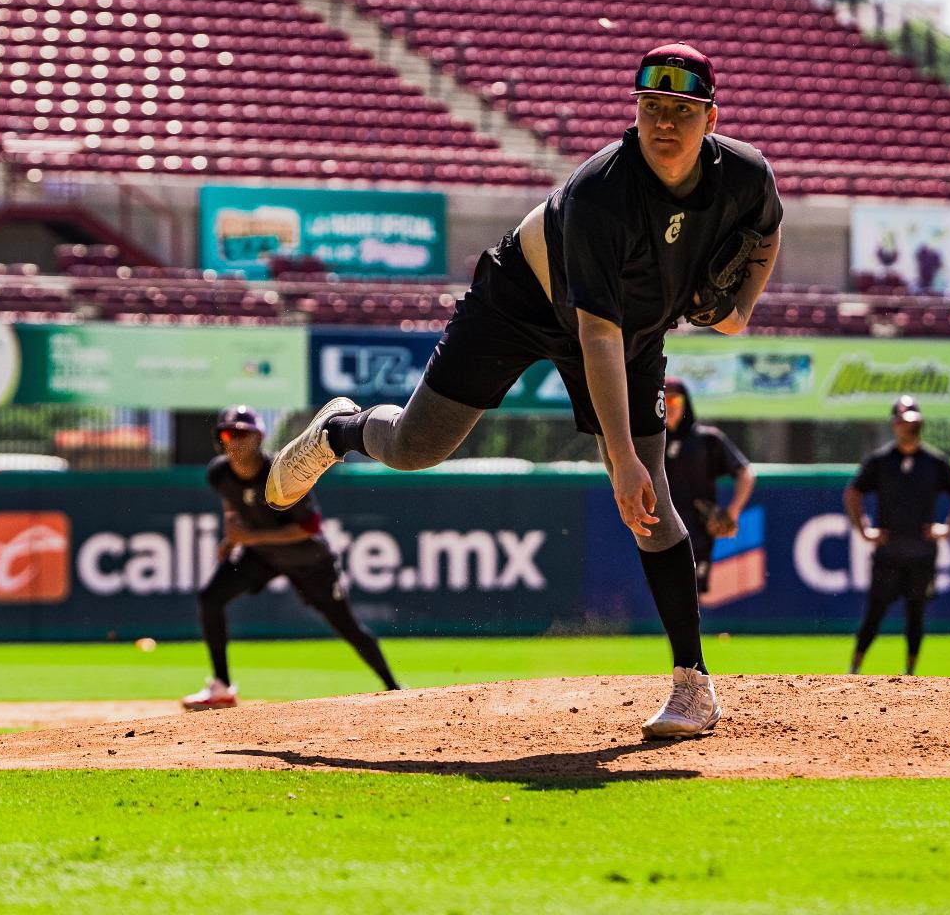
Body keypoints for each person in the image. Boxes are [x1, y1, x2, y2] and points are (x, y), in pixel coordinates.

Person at [267, 42, 783, 738]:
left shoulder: (745, 173)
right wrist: (620, 456)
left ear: (710, 118)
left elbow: (767, 229)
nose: (665, 122)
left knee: (653, 505)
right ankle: (340, 431)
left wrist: (742, 308)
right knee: (417, 446)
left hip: (633, 326)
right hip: (522, 301)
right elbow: (595, 336)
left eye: (682, 110)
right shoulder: (603, 191)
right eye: (652, 106)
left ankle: (693, 685)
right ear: (635, 110)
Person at [181, 405, 401, 711]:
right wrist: (232, 537)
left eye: (242, 434)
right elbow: (231, 502)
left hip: (308, 559)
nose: (235, 441)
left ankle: (394, 689)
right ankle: (222, 687)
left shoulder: (284, 472)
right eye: (228, 435)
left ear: (258, 437)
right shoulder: (219, 473)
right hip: (262, 557)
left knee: (347, 627)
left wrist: (249, 537)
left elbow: (309, 528)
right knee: (210, 598)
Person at [843, 395, 950, 677]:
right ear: (894, 425)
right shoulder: (881, 461)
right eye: (902, 422)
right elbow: (853, 492)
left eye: (911, 422)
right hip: (888, 553)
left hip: (921, 554)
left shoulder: (934, 461)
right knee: (874, 614)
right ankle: (854, 670)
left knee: (916, 614)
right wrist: (863, 529)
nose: (907, 427)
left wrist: (948, 528)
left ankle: (911, 673)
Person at [662, 376, 756, 595]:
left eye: (674, 400)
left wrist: (733, 512)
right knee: (665, 593)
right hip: (662, 530)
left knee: (693, 594)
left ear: (685, 403)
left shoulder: (706, 439)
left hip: (697, 530)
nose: (669, 405)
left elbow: (746, 472)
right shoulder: (651, 442)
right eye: (663, 400)